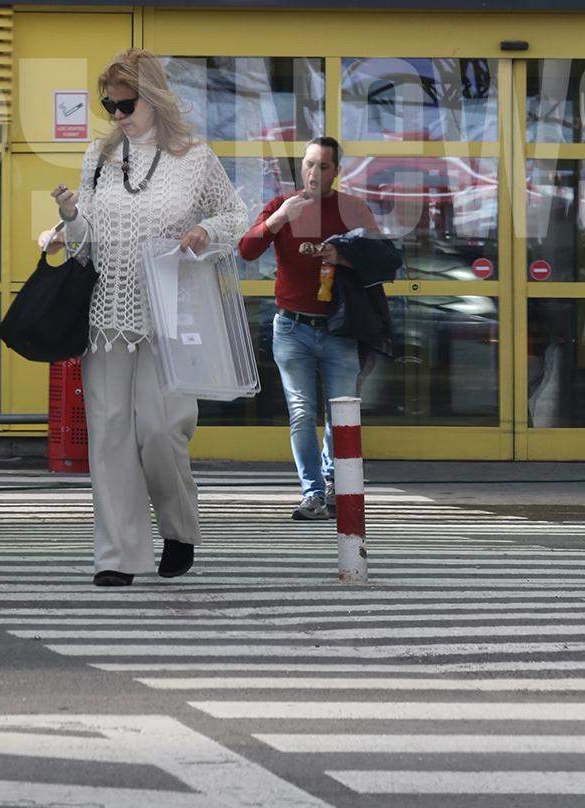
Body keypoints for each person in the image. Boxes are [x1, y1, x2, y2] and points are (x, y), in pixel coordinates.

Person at [52, 50, 248, 587]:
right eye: (108, 105)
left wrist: (206, 233)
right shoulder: (98, 156)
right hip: (105, 311)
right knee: (110, 432)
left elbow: (235, 214)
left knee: (160, 431)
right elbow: (85, 238)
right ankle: (118, 555)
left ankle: (180, 527)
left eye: (125, 103)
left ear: (154, 97)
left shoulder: (194, 156)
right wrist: (68, 219)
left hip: (170, 311)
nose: (116, 115)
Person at [239, 137, 382, 520]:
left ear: (337, 171)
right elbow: (247, 249)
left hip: (339, 328)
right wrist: (279, 218)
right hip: (292, 327)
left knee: (341, 413)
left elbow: (385, 260)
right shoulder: (284, 206)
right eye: (308, 164)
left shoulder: (351, 207)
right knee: (302, 413)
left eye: (323, 166)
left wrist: (344, 257)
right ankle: (313, 492)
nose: (314, 173)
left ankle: (334, 478)